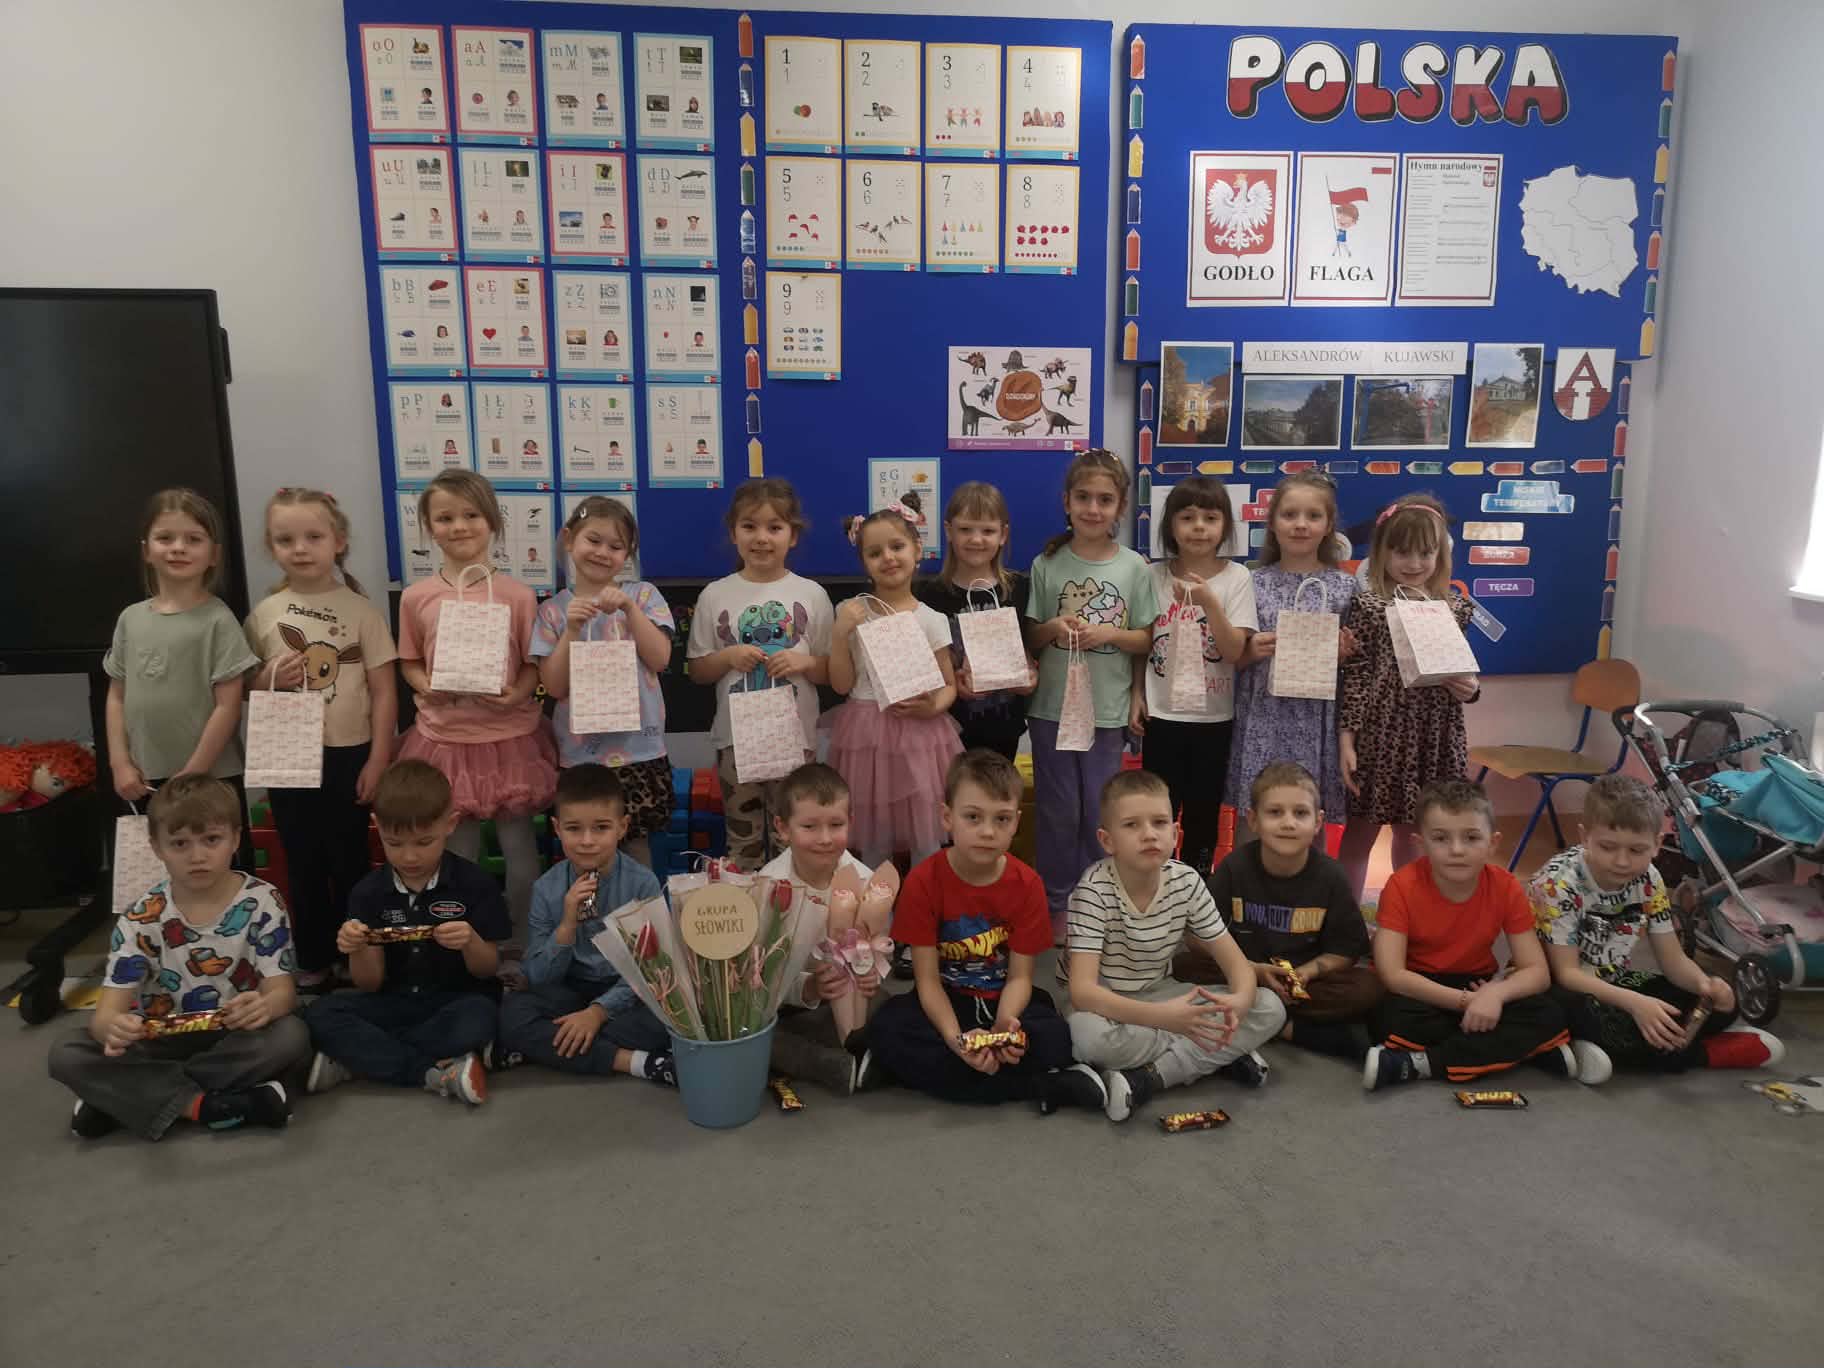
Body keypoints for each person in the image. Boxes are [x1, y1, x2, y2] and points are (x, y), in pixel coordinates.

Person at [49, 776, 307, 1139]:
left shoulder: (264, 901)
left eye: (211, 840)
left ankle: (125, 1098)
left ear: (235, 839)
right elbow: (105, 1016)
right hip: (159, 1040)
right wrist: (113, 1028)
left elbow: (282, 992)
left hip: (233, 1035)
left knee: (291, 1034)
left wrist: (265, 1006)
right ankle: (203, 1105)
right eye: (180, 843)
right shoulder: (141, 917)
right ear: (156, 848)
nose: (197, 856)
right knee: (66, 1052)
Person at [857, 750, 1099, 1111]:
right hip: (947, 999)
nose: (987, 831)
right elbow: (927, 981)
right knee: (887, 1027)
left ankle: (929, 1073)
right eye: (973, 817)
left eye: (1001, 819)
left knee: (1056, 1035)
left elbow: (1020, 978)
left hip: (1004, 999)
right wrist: (957, 1040)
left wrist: (1005, 1027)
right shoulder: (923, 881)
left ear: (1016, 822)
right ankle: (1041, 1084)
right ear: (947, 817)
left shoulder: (1028, 884)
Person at [395, 469, 556, 975]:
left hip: (510, 739)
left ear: (492, 521)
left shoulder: (517, 595)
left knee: (519, 848)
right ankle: (466, 942)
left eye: (471, 515)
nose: (459, 526)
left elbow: (532, 664)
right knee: (457, 850)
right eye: (445, 518)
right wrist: (425, 685)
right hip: (444, 740)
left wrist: (518, 693)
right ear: (428, 526)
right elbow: (409, 660)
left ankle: (523, 939)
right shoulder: (417, 597)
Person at [1064, 770, 1287, 1122]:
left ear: (1175, 833)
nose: (1149, 834)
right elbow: (1082, 993)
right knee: (1086, 1037)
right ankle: (1219, 1053)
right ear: (1107, 841)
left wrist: (1241, 1001)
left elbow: (1237, 966)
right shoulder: (1093, 891)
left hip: (1165, 993)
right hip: (1110, 1006)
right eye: (1132, 825)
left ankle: (1152, 1077)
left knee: (1269, 1006)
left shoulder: (1187, 880)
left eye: (1159, 822)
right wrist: (1169, 1020)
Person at [1531, 774, 1784, 1081]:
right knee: (1575, 1012)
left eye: (1636, 850)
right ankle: (1704, 1053)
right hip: (1559, 989)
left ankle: (1628, 1047)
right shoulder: (1558, 885)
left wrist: (1705, 987)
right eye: (1608, 847)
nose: (1622, 861)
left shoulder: (1650, 879)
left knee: (1718, 1003)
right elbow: (1567, 975)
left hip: (1616, 983)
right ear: (1585, 837)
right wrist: (1635, 1004)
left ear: (1657, 844)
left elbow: (1673, 960)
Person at [244, 487, 398, 990]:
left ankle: (356, 955)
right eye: (285, 539)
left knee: (348, 856)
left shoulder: (362, 610)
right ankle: (312, 954)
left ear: (339, 541)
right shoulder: (265, 613)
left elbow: (384, 691)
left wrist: (378, 759)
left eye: (313, 536)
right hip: (288, 751)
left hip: (349, 751)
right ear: (271, 546)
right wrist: (268, 677)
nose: (300, 548)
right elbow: (242, 684)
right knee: (301, 857)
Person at [302, 761, 507, 1106]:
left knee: (481, 1015)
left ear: (450, 824)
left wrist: (470, 941)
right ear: (376, 826)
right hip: (392, 1001)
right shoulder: (367, 892)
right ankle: (433, 1069)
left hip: (455, 1000)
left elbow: (488, 969)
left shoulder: (475, 884)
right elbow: (368, 984)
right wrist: (357, 947)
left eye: (424, 842)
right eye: (394, 843)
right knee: (319, 1013)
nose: (410, 856)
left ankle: (361, 1060)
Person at [1025, 450, 1160, 940]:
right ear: (1067, 501)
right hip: (1052, 711)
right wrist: (1053, 628)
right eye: (1083, 497)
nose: (1093, 508)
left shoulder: (1134, 567)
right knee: (1058, 811)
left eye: (1105, 500)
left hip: (1107, 711)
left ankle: (1098, 901)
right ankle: (1057, 902)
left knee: (1100, 812)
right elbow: (1031, 636)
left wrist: (1111, 639)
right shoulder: (1046, 563)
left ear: (1120, 506)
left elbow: (1146, 638)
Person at [1364, 780, 1572, 1090]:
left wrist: (1494, 995)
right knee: (1386, 1016)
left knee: (1552, 1010)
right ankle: (1522, 1050)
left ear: (1493, 843)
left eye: (1472, 837)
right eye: (1441, 838)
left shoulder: (1506, 886)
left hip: (1479, 983)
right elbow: (1393, 975)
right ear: (1421, 843)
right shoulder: (1401, 885)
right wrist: (1467, 1003)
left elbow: (1537, 971)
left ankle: (1422, 1063)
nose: (1457, 850)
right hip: (1420, 988)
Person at [494, 765, 680, 1088]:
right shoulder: (547, 889)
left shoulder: (643, 883)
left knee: (669, 1020)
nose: (587, 841)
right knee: (513, 1015)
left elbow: (651, 970)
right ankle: (633, 1062)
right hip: (569, 989)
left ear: (622, 827)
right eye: (574, 829)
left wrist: (597, 1013)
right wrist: (566, 926)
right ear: (557, 828)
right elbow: (537, 976)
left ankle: (553, 1046)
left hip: (625, 993)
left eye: (601, 828)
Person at [1180, 762, 1381, 1061]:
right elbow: (1197, 936)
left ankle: (1266, 1021)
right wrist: (1250, 970)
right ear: (1253, 820)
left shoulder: (1332, 876)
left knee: (1368, 988)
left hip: (1303, 980)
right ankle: (1288, 1027)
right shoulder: (1235, 866)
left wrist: (1308, 972)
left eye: (1300, 813)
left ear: (1318, 822)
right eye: (1275, 812)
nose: (1288, 823)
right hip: (1245, 970)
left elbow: (1347, 951)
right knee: (1181, 966)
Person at [105, 488, 259, 873]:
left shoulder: (218, 620)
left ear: (213, 554)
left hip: (211, 778)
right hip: (145, 778)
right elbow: (116, 697)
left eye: (193, 539)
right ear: (146, 550)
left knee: (220, 874)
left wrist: (192, 773)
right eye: (165, 538)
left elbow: (228, 706)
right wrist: (120, 762)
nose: (178, 548)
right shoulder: (130, 619)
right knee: (161, 879)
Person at [1336, 495, 1480, 898]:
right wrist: (1347, 739)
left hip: (1433, 735)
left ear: (1440, 554)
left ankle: (1411, 913)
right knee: (1361, 831)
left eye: (1425, 552)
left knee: (1414, 831)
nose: (1414, 563)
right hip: (1380, 736)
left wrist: (1472, 688)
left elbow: (1464, 671)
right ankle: (1347, 920)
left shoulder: (1455, 608)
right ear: (1382, 552)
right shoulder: (1368, 606)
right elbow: (1356, 675)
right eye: (1402, 551)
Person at [686, 479, 832, 869]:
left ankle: (793, 904)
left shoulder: (812, 595)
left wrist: (804, 663)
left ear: (792, 536)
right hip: (737, 743)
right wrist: (728, 656)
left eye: (774, 527)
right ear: (733, 532)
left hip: (795, 742)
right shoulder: (715, 595)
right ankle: (749, 905)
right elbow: (698, 670)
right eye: (749, 526)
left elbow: (832, 672)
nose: (762, 538)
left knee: (795, 839)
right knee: (743, 841)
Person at [532, 497, 675, 869]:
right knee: (585, 850)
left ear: (627, 554)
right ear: (569, 539)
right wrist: (572, 630)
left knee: (637, 850)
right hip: (581, 755)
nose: (602, 552)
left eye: (615, 546)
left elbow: (660, 658)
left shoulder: (643, 596)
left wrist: (629, 609)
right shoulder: (552, 611)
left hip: (639, 750)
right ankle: (586, 908)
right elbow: (554, 686)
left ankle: (639, 908)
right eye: (593, 540)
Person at [1133, 477, 1256, 871]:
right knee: (1159, 811)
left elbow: (1234, 651)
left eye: (1210, 518)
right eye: (1187, 518)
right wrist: (1137, 694)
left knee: (1203, 813)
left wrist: (1209, 603)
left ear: (1225, 526)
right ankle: (1157, 879)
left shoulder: (1237, 578)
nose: (1199, 527)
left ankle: (1197, 885)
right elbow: (1142, 642)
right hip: (1162, 715)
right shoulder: (1153, 576)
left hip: (1213, 718)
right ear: (1171, 525)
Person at [1226, 472, 1359, 836]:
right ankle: (1246, 875)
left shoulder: (1345, 588)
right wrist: (1250, 651)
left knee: (1306, 816)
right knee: (1255, 816)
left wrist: (1343, 656)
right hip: (1262, 717)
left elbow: (1358, 669)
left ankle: (1308, 876)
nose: (1301, 524)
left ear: (1328, 526)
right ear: (1272, 522)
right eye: (1289, 515)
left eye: (1313, 516)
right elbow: (1229, 658)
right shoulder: (1251, 582)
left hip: (1315, 721)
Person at [828, 506, 961, 867]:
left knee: (926, 832)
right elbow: (841, 684)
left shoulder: (931, 619)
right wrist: (840, 633)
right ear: (864, 562)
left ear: (917, 550)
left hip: (920, 731)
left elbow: (949, 684)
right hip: (866, 733)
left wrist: (933, 707)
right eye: (874, 552)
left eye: (897, 547)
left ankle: (924, 896)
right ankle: (875, 902)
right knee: (873, 835)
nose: (887, 558)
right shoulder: (850, 612)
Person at [759, 762, 883, 1092]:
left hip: (848, 1000)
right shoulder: (769, 888)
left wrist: (873, 972)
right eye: (810, 827)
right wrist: (809, 988)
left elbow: (879, 945)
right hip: (791, 1004)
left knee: (894, 1008)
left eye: (836, 825)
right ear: (783, 828)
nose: (825, 839)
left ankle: (859, 1052)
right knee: (755, 1035)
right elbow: (762, 976)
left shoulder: (865, 880)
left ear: (850, 822)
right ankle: (837, 1065)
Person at [916, 481, 1037, 762]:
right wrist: (951, 683)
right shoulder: (930, 596)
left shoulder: (1019, 590)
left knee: (998, 788)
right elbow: (927, 666)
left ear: (1003, 534)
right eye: (965, 529)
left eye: (987, 531)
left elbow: (1029, 653)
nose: (976, 539)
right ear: (949, 531)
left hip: (1005, 724)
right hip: (950, 728)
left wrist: (1030, 676)